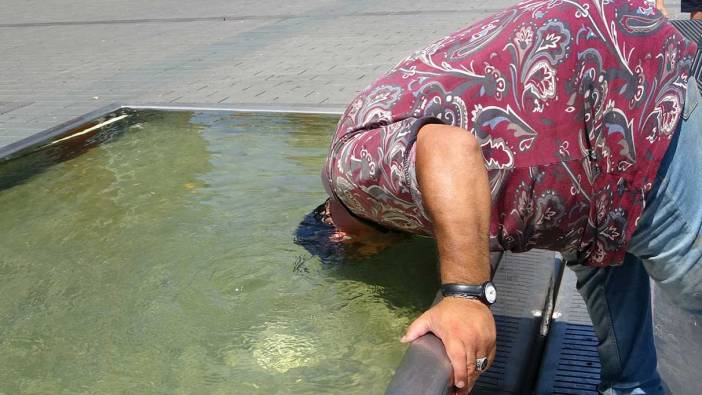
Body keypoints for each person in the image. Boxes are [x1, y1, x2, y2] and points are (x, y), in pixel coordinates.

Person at [300, 0, 700, 393]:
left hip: (632, 100)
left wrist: (465, 295)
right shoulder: (363, 156)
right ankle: (630, 384)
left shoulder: (351, 175)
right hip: (595, 124)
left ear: (341, 237)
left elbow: (446, 146)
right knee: (599, 260)